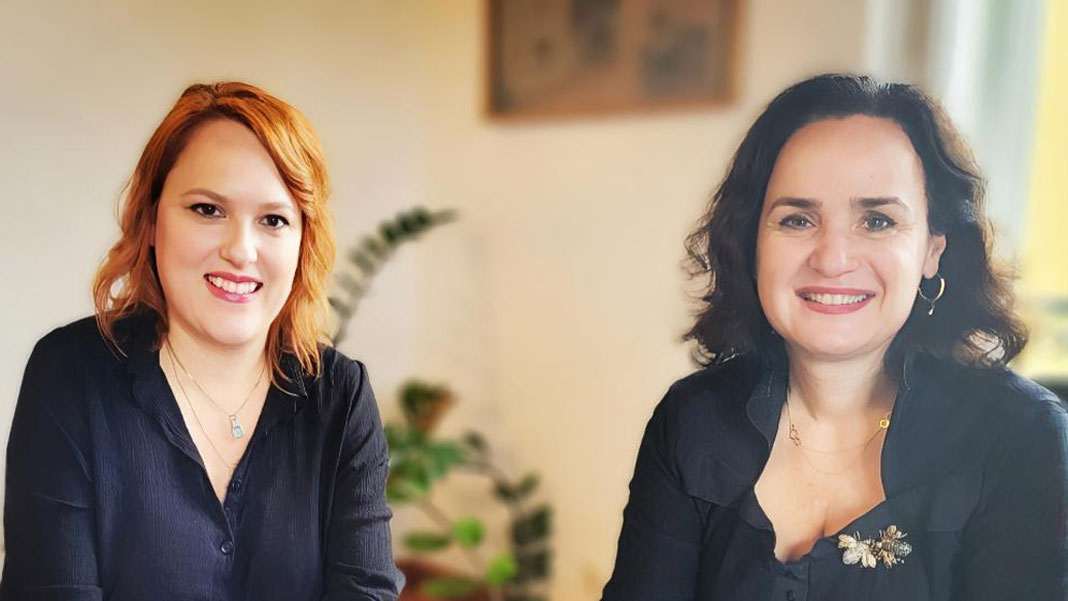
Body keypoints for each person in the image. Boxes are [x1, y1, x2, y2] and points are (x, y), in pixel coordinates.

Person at [601, 74, 1068, 600]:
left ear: (932, 250)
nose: (832, 258)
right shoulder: (691, 421)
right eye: (797, 220)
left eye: (878, 221)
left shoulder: (1019, 435)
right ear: (752, 243)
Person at [1, 82, 405, 600]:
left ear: (303, 241)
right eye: (208, 210)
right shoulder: (69, 376)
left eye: (274, 220)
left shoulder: (341, 397)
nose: (241, 250)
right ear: (151, 220)